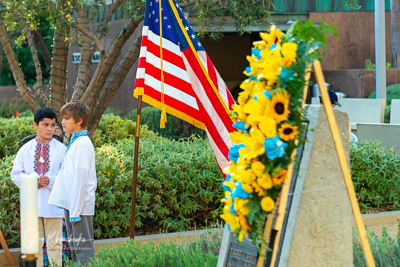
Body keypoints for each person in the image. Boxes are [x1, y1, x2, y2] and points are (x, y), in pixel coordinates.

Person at [11, 107, 66, 267]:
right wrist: (31, 182)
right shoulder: (25, 150)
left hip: (54, 204)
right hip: (32, 206)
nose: (50, 129)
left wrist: (50, 180)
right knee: (34, 247)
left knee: (55, 245)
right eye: (45, 124)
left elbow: (67, 175)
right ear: (35, 125)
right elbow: (15, 174)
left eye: (53, 125)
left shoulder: (61, 150)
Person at [48, 100, 97, 265]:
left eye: (67, 118)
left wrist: (75, 211)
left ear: (79, 121)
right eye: (62, 118)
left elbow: (80, 181)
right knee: (75, 248)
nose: (62, 122)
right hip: (73, 205)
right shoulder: (76, 142)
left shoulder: (82, 145)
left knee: (83, 249)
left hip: (80, 208)